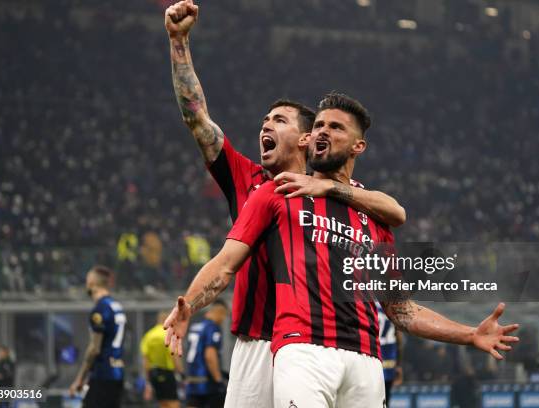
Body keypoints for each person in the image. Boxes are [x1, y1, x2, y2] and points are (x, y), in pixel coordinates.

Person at [165, 93, 520, 407]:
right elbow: (227, 263)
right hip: (302, 349)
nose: (323, 132)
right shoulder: (277, 192)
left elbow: (401, 309)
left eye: (335, 127)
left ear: (357, 146)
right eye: (318, 125)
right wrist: (190, 303)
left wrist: (469, 334)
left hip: (366, 358)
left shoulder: (373, 215)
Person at [164, 2, 406, 407]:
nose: (265, 125)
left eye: (278, 120)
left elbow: (395, 214)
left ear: (307, 139)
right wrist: (178, 43)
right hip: (259, 345)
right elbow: (197, 119)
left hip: (322, 346)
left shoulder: (337, 197)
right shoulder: (250, 180)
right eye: (264, 120)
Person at [69, 266, 126, 408]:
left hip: (103, 374)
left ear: (92, 283)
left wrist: (79, 379)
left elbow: (94, 348)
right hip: (118, 372)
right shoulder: (116, 306)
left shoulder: (100, 309)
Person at [185, 300, 228, 408]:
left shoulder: (195, 326)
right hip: (207, 383)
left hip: (192, 380)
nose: (223, 319)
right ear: (220, 312)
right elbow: (209, 356)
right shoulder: (212, 328)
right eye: (225, 315)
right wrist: (218, 380)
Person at [141, 311, 183, 408]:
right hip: (167, 373)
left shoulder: (149, 335)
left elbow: (145, 359)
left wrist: (148, 379)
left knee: (162, 403)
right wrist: (181, 372)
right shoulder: (168, 334)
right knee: (173, 403)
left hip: (154, 374)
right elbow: (173, 355)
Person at [377, 302, 403, 403]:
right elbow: (399, 339)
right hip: (389, 361)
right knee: (385, 401)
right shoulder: (391, 304)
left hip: (370, 357)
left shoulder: (366, 302)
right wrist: (399, 365)